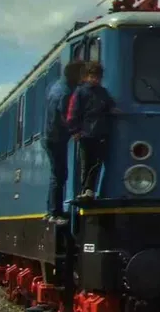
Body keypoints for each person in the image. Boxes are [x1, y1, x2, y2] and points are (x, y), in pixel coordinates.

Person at [65, 60, 115, 201]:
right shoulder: (80, 92)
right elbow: (72, 113)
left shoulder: (103, 92)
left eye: (98, 77)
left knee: (97, 162)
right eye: (92, 76)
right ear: (86, 76)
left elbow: (109, 104)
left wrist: (113, 109)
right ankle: (85, 189)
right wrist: (75, 131)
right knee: (86, 162)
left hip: (100, 132)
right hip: (85, 133)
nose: (95, 79)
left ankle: (90, 190)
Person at [46, 60, 85, 218]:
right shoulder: (65, 92)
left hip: (52, 137)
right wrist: (75, 131)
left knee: (57, 175)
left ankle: (52, 210)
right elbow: (64, 116)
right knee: (59, 175)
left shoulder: (57, 87)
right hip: (57, 138)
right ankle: (55, 212)